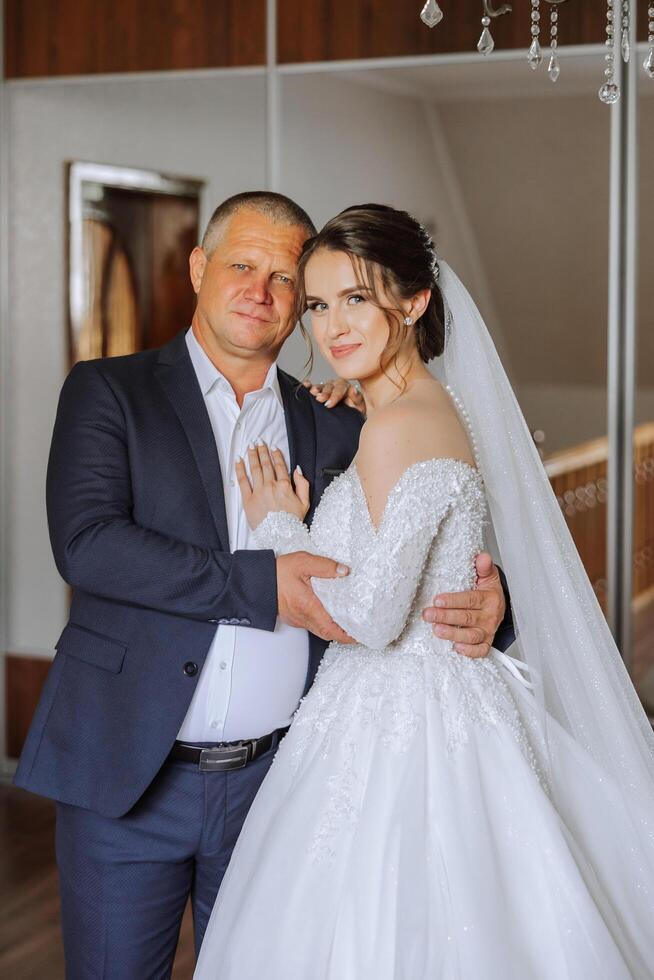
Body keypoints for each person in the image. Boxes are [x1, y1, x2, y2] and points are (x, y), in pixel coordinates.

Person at [14, 192, 512, 978]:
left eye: (289, 281)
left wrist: (494, 599)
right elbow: (88, 547)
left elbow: (424, 527)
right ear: (199, 268)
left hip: (283, 785)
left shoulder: (341, 418)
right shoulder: (110, 391)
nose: (264, 291)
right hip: (131, 777)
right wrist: (263, 581)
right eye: (243, 266)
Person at [194, 204, 654, 979]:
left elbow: (374, 617)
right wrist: (358, 399)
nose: (332, 324)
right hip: (437, 704)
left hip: (395, 723)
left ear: (413, 303)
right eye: (318, 303)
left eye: (357, 299)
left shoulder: (398, 425)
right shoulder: (431, 407)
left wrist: (281, 528)